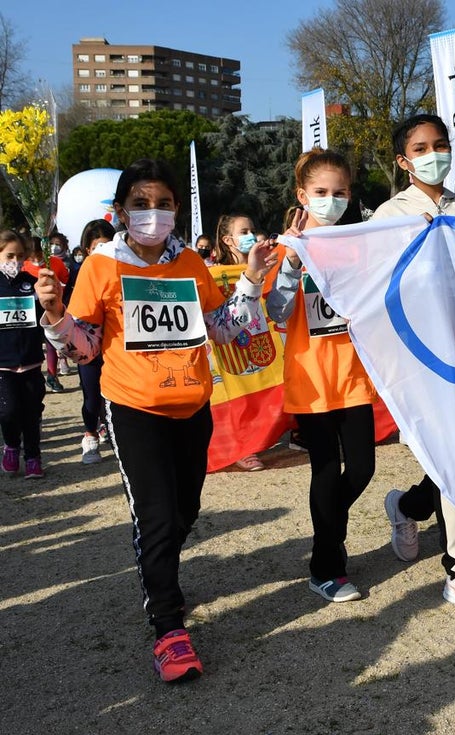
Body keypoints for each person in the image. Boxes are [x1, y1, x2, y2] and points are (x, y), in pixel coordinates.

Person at [36, 158, 277, 682]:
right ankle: (168, 628)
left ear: (176, 209)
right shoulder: (101, 265)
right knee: (157, 516)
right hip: (132, 408)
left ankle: (158, 562)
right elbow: (87, 345)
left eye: (163, 204)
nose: (152, 214)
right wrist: (57, 318)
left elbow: (224, 329)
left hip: (192, 407)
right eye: (141, 204)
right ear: (120, 211)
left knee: (184, 509)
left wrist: (253, 281)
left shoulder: (190, 263)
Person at [371, 114, 455, 616]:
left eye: (441, 145)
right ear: (404, 161)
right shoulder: (389, 214)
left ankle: (408, 507)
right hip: (426, 353)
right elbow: (381, 286)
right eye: (421, 147)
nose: (434, 154)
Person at [266, 148, 377, 605]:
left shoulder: (357, 243)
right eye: (321, 193)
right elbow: (275, 312)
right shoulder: (286, 248)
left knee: (364, 467)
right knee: (326, 470)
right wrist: (291, 263)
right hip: (310, 377)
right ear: (302, 195)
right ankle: (326, 567)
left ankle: (326, 534)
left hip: (352, 374)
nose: (331, 200)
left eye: (340, 193)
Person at [213, 213, 268, 471]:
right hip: (232, 341)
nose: (251, 236)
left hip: (262, 338)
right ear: (227, 240)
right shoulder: (214, 275)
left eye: (252, 230)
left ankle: (266, 436)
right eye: (243, 232)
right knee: (239, 392)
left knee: (263, 389)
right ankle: (244, 447)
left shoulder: (266, 266)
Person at [66, 219, 116, 464]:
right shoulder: (79, 274)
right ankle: (90, 434)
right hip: (88, 348)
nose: (102, 251)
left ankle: (111, 430)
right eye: (97, 246)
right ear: (87, 249)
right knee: (92, 397)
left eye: (107, 245)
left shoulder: (122, 272)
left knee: (114, 396)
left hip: (115, 347)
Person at [0, 230, 47, 479]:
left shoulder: (31, 282)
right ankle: (10, 445)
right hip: (3, 366)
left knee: (31, 412)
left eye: (20, 256)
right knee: (8, 412)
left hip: (30, 362)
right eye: (9, 255)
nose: (15, 261)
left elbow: (47, 313)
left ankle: (32, 456)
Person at [23, 238, 69, 393]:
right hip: (30, 311)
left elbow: (66, 280)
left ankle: (52, 375)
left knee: (51, 342)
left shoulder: (55, 263)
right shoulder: (23, 265)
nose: (36, 260)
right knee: (33, 342)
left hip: (51, 307)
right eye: (32, 256)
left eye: (39, 255)